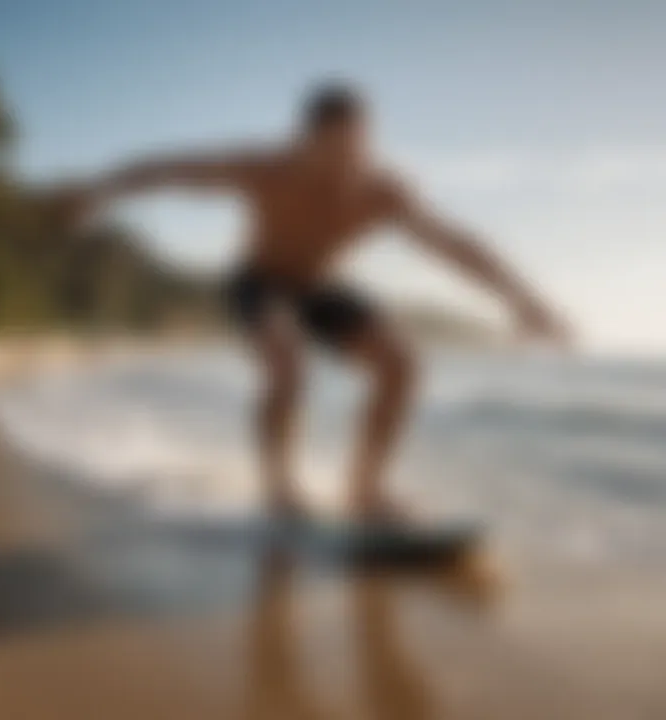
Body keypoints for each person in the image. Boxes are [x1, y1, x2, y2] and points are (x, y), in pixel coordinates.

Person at [48, 83, 569, 522]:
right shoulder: (265, 167)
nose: (348, 163)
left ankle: (365, 491)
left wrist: (522, 301)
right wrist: (100, 192)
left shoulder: (384, 189)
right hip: (260, 281)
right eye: (335, 150)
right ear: (306, 141)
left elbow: (454, 244)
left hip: (322, 286)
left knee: (402, 364)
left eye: (358, 148)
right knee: (286, 357)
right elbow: (169, 170)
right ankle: (280, 488)